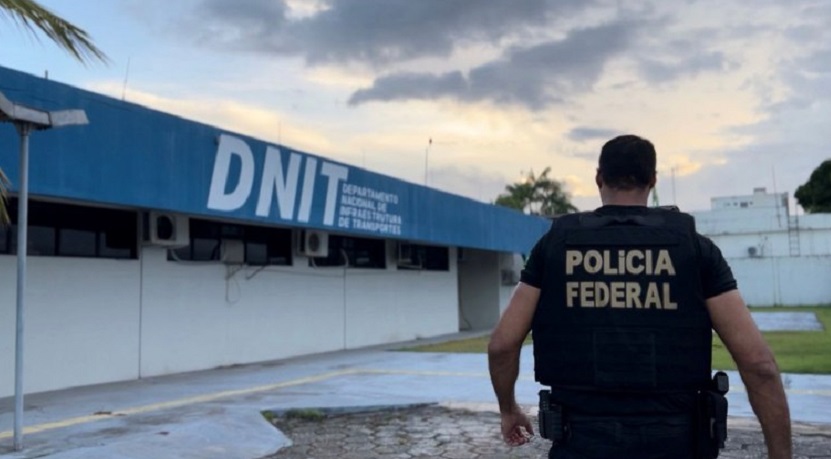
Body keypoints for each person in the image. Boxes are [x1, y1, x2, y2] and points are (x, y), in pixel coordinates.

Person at [488, 135, 792, 459]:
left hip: (581, 438)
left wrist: (509, 410)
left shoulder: (553, 247)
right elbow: (758, 364)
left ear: (599, 178)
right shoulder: (694, 248)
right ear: (653, 180)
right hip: (675, 440)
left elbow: (502, 345)